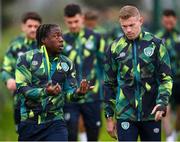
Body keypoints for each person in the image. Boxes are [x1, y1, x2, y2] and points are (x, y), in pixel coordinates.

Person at [104, 5, 172, 141]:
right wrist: (109, 117)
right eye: (124, 26)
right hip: (125, 113)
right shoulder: (114, 47)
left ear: (140, 21)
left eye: (131, 25)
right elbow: (109, 83)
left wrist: (162, 102)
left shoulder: (156, 44)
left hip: (151, 112)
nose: (128, 30)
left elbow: (166, 79)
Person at [15, 24, 93, 141]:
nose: (61, 39)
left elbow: (69, 94)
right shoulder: (26, 59)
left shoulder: (67, 63)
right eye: (55, 36)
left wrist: (79, 92)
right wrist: (46, 92)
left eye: (61, 36)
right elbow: (23, 89)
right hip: (30, 123)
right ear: (44, 40)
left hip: (55, 122)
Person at [63, 4, 105, 141]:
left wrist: (107, 86)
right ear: (65, 21)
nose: (73, 25)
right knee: (70, 135)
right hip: (70, 96)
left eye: (76, 21)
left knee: (93, 135)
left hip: (93, 95)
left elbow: (104, 64)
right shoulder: (60, 40)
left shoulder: (96, 37)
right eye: (70, 22)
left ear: (82, 18)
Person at [1, 12, 42, 130]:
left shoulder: (46, 45)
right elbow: (6, 68)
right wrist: (8, 79)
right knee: (23, 133)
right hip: (20, 99)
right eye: (30, 26)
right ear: (23, 26)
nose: (33, 29)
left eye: (36, 26)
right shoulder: (15, 45)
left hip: (43, 100)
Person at [156, 9, 180, 141]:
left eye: (171, 20)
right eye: (166, 20)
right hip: (164, 79)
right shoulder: (158, 37)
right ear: (163, 21)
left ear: (175, 20)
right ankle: (169, 137)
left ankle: (175, 132)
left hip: (179, 79)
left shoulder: (179, 36)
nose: (168, 23)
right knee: (166, 108)